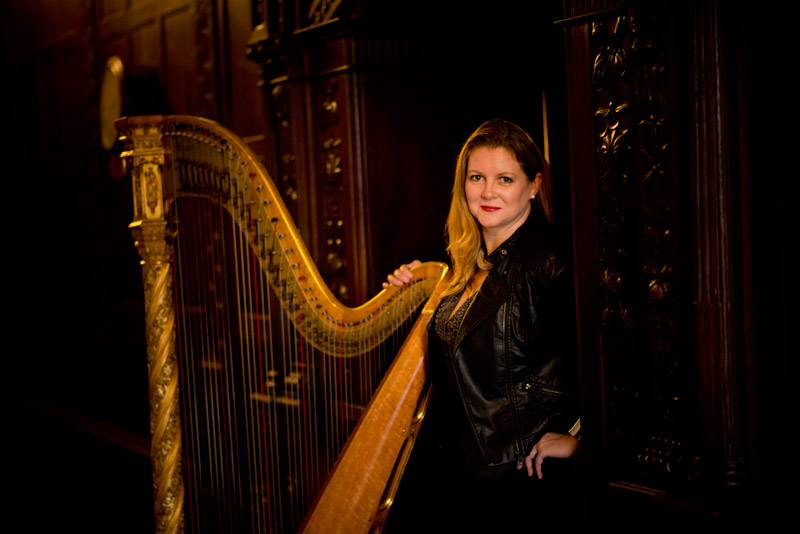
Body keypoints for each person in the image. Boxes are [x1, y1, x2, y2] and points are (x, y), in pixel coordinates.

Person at [383, 119, 581, 532]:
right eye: (477, 177)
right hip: (459, 471)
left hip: (516, 479)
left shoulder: (552, 263)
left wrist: (581, 440)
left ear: (533, 186)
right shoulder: (463, 269)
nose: (488, 192)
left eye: (504, 178)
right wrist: (408, 295)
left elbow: (616, 363)